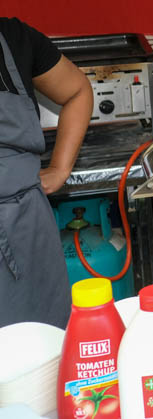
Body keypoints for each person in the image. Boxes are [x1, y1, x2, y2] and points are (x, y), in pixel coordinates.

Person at [0, 17, 92, 328]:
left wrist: (60, 168)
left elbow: (78, 90)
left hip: (24, 228)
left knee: (41, 343)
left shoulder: (12, 37)